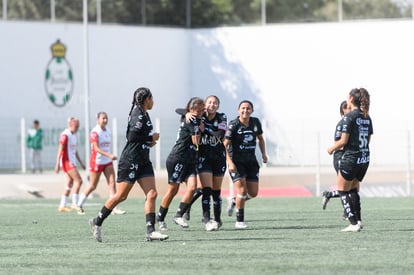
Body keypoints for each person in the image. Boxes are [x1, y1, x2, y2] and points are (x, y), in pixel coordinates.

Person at [89, 87, 168, 242]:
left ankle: (150, 231)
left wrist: (149, 142)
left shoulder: (145, 114)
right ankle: (97, 222)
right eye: (152, 98)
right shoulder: (137, 114)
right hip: (131, 160)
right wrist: (150, 137)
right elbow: (131, 136)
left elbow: (140, 137)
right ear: (146, 99)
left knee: (152, 194)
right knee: (121, 196)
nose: (153, 101)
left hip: (143, 161)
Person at [327, 88, 373, 232]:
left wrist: (331, 149)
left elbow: (343, 141)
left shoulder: (349, 117)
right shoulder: (366, 116)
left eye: (348, 96)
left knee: (342, 190)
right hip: (364, 158)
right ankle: (358, 221)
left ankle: (353, 223)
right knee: (353, 189)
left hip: (351, 158)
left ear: (352, 99)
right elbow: (369, 139)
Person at [156, 97, 205, 230]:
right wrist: (199, 130)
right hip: (178, 158)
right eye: (199, 109)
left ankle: (178, 215)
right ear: (192, 109)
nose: (201, 111)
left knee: (193, 187)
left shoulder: (195, 118)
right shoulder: (192, 119)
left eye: (202, 109)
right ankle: (160, 218)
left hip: (189, 160)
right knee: (173, 190)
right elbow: (196, 142)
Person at [181, 95, 227, 231]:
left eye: (215, 103)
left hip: (219, 158)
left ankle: (217, 219)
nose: (212, 105)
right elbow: (180, 110)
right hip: (204, 158)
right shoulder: (199, 115)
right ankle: (207, 219)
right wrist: (187, 113)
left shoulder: (222, 117)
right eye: (210, 102)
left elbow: (220, 135)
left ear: (218, 106)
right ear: (205, 105)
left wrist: (204, 128)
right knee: (206, 190)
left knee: (216, 192)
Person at [223, 100, 268, 229]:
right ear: (238, 110)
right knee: (242, 190)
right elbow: (224, 145)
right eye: (243, 108)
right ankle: (239, 221)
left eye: (248, 108)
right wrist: (230, 162)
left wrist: (264, 154)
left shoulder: (255, 122)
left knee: (253, 193)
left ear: (252, 111)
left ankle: (233, 201)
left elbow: (260, 139)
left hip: (251, 162)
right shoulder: (233, 125)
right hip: (236, 163)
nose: (245, 111)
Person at [76, 112, 125, 215]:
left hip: (107, 162)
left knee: (112, 183)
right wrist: (109, 155)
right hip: (97, 162)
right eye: (103, 118)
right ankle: (79, 204)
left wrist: (108, 157)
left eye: (106, 118)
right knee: (93, 186)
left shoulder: (108, 131)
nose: (105, 120)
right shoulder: (95, 132)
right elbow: (96, 148)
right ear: (97, 119)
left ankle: (114, 207)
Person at [322, 100, 352, 210]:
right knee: (346, 187)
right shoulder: (342, 124)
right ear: (343, 111)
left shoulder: (352, 123)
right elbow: (338, 143)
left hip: (349, 158)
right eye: (347, 108)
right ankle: (347, 212)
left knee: (350, 188)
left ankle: (329, 194)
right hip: (340, 156)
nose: (350, 110)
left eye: (350, 108)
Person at [55, 117, 86, 212]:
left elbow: (74, 151)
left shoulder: (73, 136)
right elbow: (60, 149)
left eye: (78, 127)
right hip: (66, 162)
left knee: (69, 183)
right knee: (79, 181)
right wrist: (57, 164)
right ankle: (75, 203)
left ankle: (62, 205)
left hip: (71, 162)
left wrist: (81, 163)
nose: (77, 128)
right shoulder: (65, 135)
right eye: (76, 126)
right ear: (71, 125)